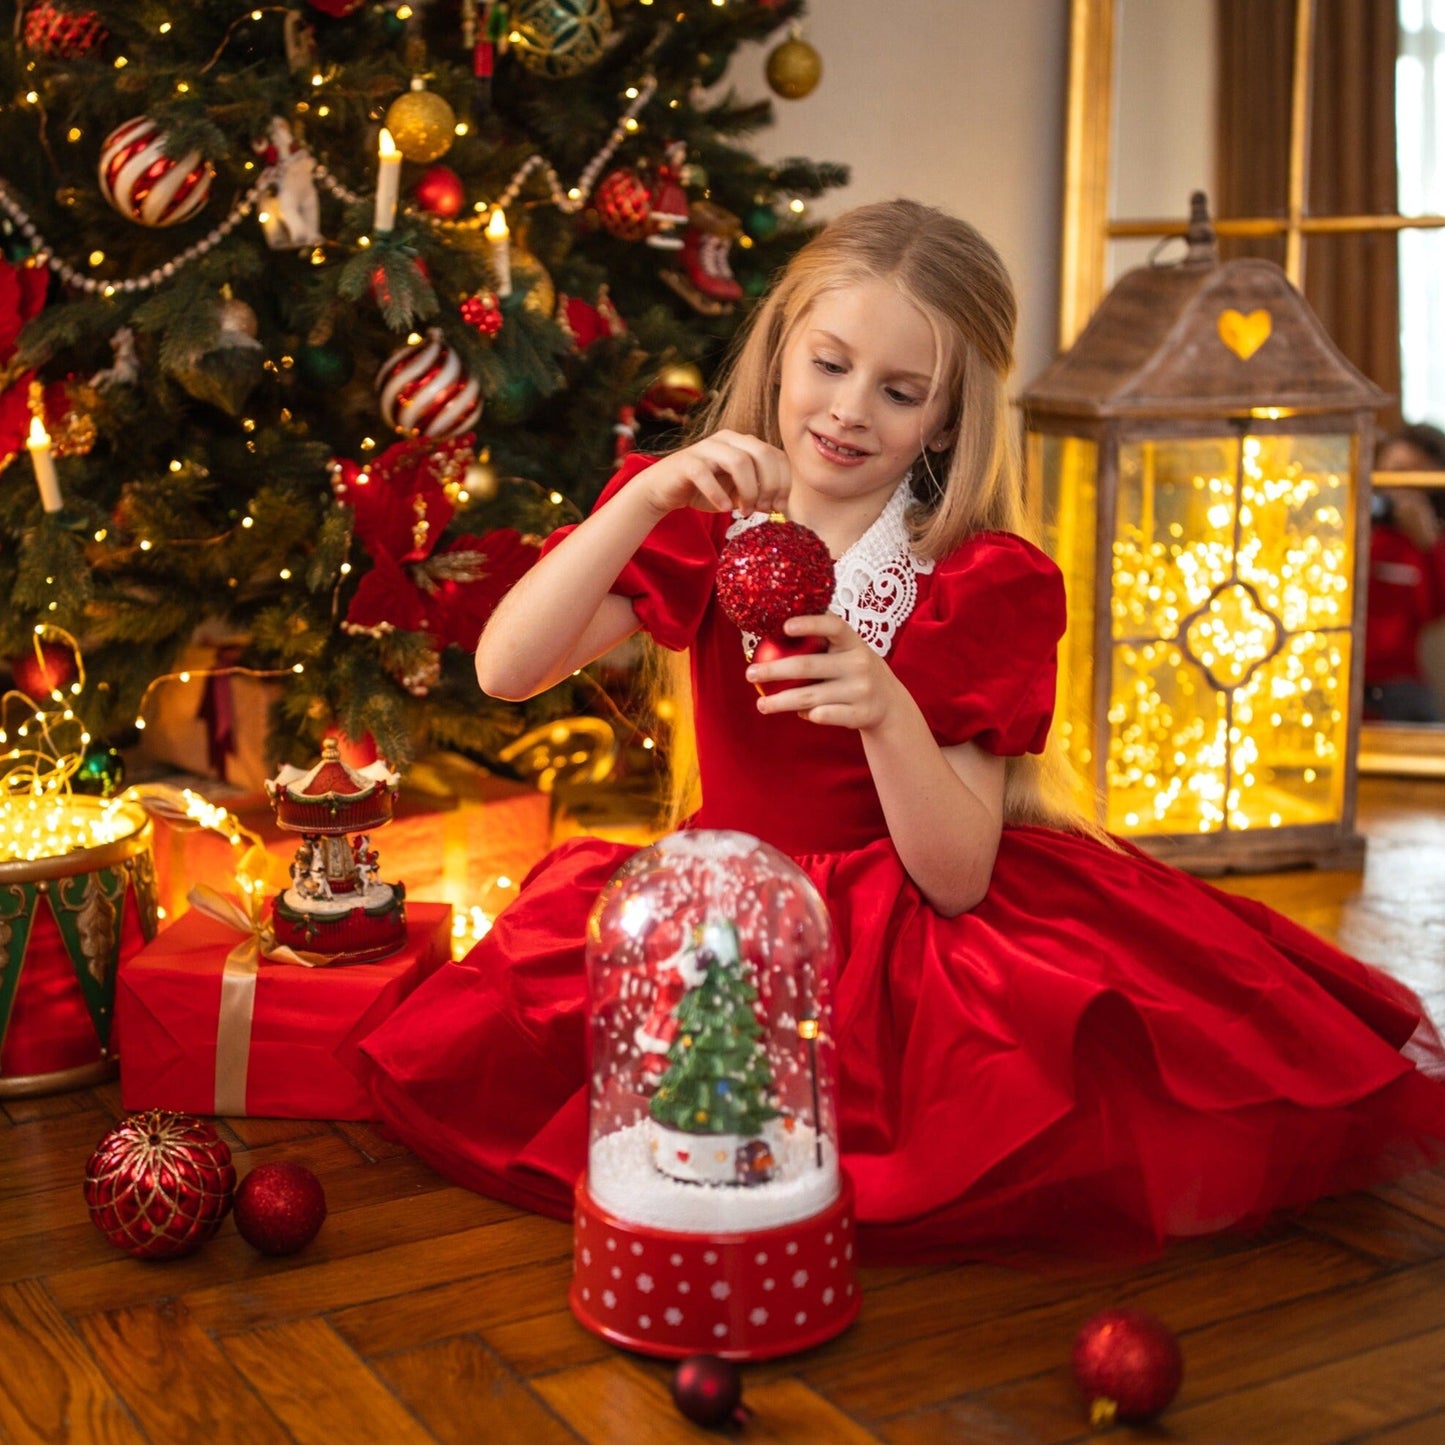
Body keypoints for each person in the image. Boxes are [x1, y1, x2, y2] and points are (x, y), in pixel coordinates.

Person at [360, 200, 1445, 1263]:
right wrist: (633, 506)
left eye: (899, 391)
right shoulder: (698, 527)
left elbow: (959, 873)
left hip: (900, 936)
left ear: (947, 415)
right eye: (827, 364)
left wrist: (884, 704)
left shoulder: (970, 582)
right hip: (729, 907)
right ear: (781, 349)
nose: (847, 410)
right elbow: (506, 670)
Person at [1365, 424, 1445, 723]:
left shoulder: (1424, 544)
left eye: (1413, 477)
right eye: (1394, 472)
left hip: (1397, 684)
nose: (1399, 489)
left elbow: (1432, 613)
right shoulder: (1351, 528)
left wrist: (1428, 545)